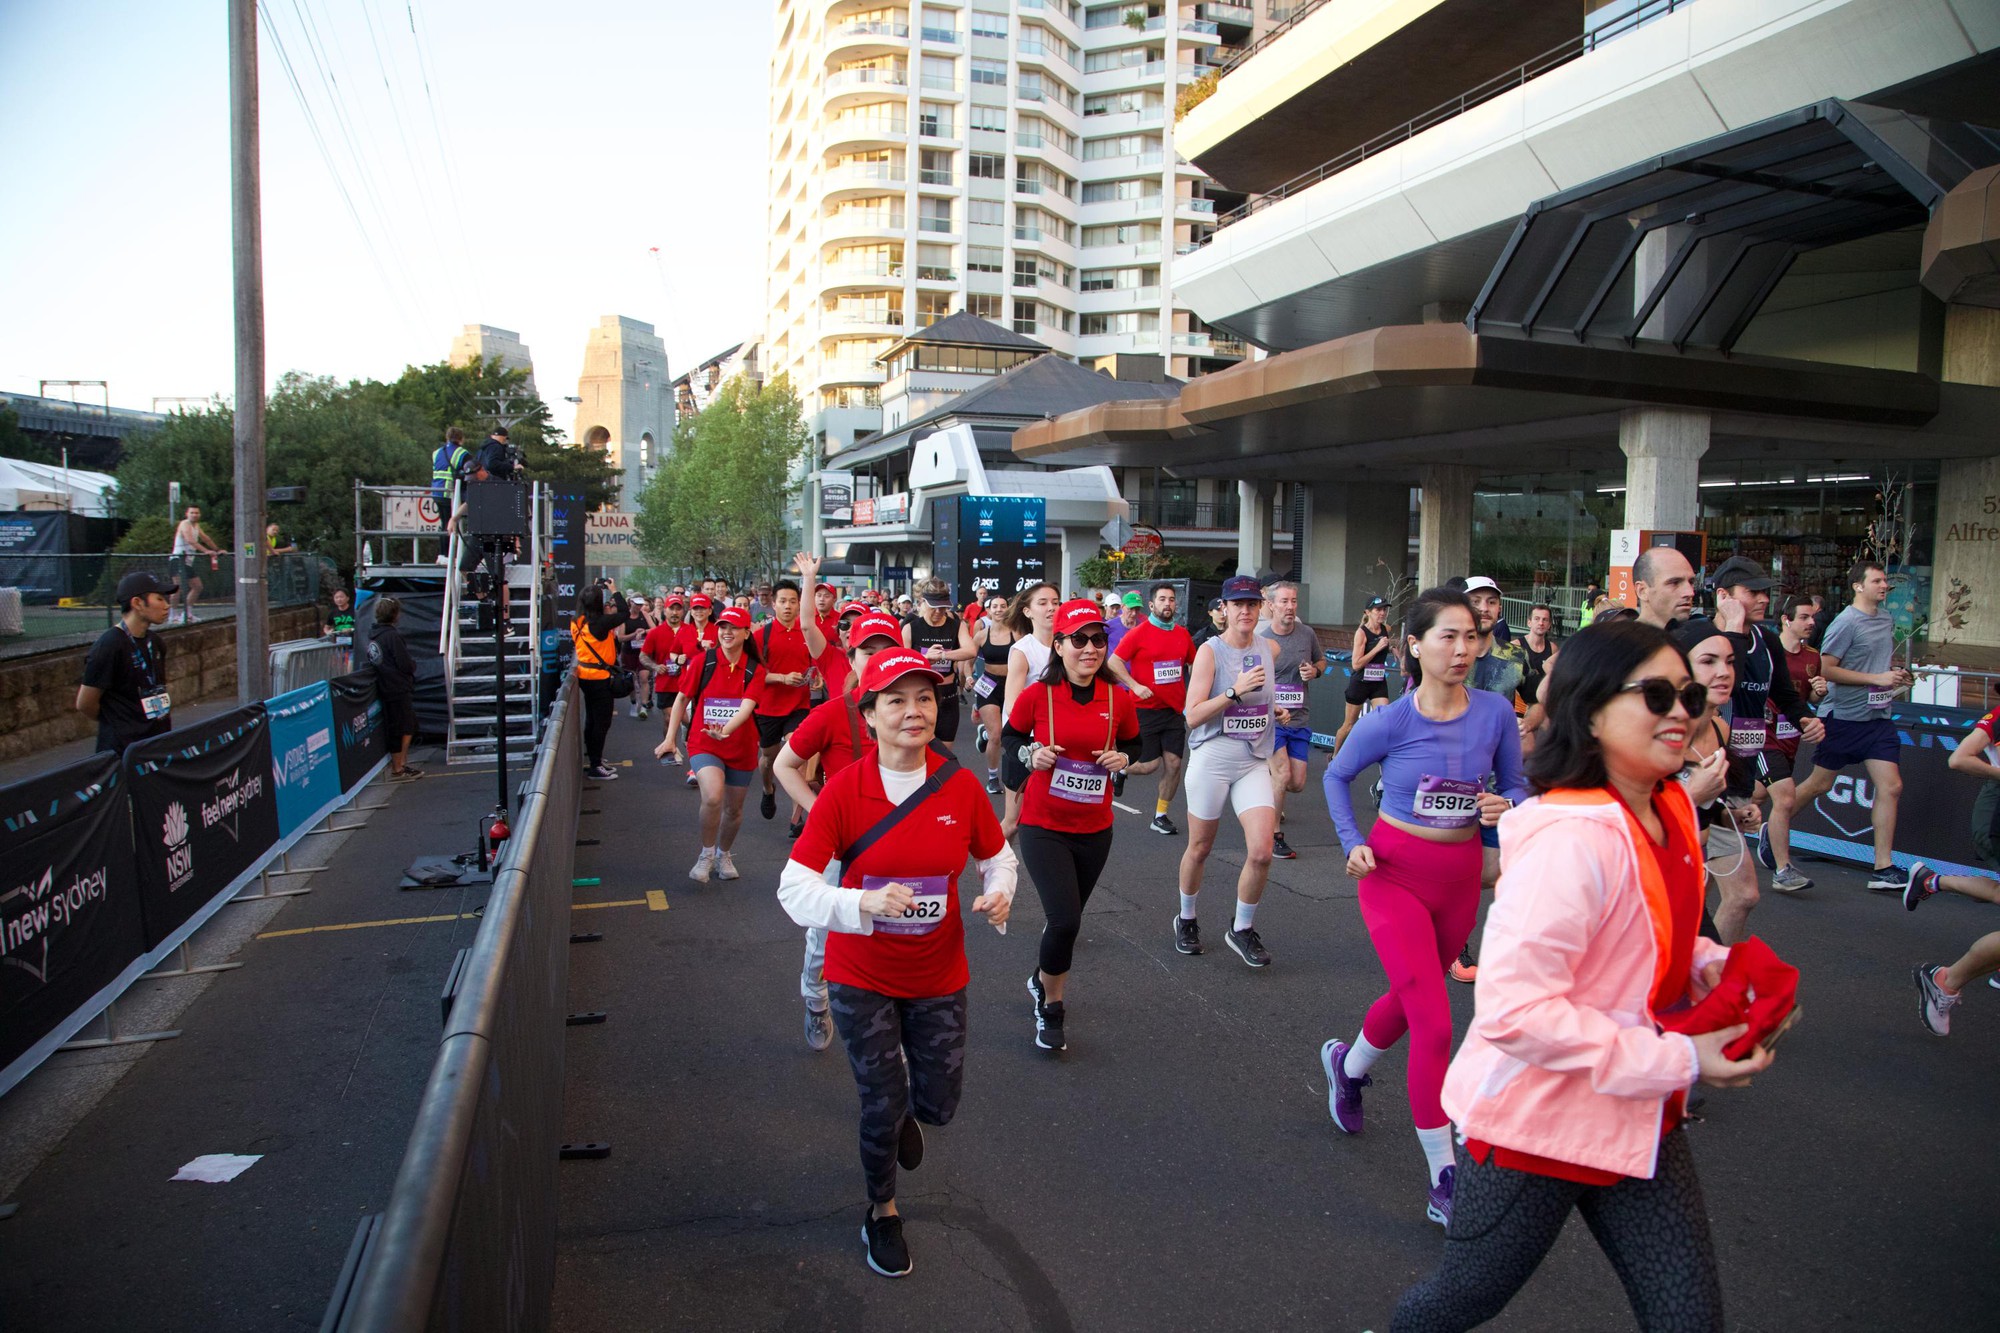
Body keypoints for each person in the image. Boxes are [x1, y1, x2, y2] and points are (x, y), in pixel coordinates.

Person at [1391, 620, 1773, 1331]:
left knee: (1689, 1320)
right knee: (1455, 1303)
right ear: (1591, 710)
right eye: (1657, 694)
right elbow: (1513, 1013)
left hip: (1634, 1113)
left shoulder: (1672, 807)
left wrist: (1725, 975)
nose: (1683, 711)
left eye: (1687, 692)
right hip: (1535, 1127)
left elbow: (1660, 937)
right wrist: (1684, 1056)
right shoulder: (1569, 839)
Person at [775, 649, 1017, 1279]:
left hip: (938, 974)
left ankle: (915, 1112)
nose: (914, 712)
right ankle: (880, 1209)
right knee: (881, 1102)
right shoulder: (843, 793)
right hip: (862, 977)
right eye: (897, 701)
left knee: (938, 1106)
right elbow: (794, 890)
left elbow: (998, 857)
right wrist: (861, 901)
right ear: (870, 714)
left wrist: (998, 892)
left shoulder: (958, 785)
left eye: (926, 700)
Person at [1320, 587, 1527, 1223]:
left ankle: (1347, 1068)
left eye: (1472, 637)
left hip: (1460, 877)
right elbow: (1335, 775)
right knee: (1436, 1024)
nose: (1463, 649)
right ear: (1416, 645)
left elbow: (1516, 783)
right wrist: (1353, 843)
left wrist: (1507, 808)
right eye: (1448, 637)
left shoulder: (1494, 713)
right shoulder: (1392, 719)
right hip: (1393, 875)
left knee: (1415, 998)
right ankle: (1445, 1177)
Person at [1005, 599, 1141, 1054]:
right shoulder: (1037, 695)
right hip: (1044, 825)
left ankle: (1040, 977)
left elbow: (1134, 743)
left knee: (1069, 922)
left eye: (1098, 639)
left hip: (1095, 827)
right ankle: (1052, 1006)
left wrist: (1124, 759)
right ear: (1059, 645)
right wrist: (1031, 755)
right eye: (1079, 639)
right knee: (1062, 919)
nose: (1090, 648)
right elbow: (1010, 741)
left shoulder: (1117, 697)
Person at [774, 608, 910, 1051]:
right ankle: (816, 1000)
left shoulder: (915, 715)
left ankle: (891, 1024)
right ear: (850, 658)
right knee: (823, 934)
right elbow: (784, 765)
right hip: (841, 849)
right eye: (865, 652)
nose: (874, 660)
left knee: (900, 934)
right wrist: (819, 812)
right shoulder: (834, 714)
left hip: (898, 847)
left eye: (885, 651)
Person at [1174, 575, 1283, 967]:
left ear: (1261, 608)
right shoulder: (1210, 652)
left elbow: (1263, 702)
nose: (1246, 611)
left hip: (1253, 758)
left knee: (1262, 851)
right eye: (1238, 604)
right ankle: (1186, 918)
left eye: (1252, 604)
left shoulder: (1268, 648)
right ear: (1224, 609)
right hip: (1213, 757)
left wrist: (1275, 711)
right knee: (1200, 847)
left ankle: (1241, 928)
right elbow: (1192, 715)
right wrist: (1233, 691)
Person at [1787, 561, 1914, 892]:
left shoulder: (1885, 618)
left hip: (1878, 718)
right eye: (1877, 580)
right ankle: (1773, 829)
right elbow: (1827, 669)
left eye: (1885, 580)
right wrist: (1876, 678)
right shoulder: (1845, 622)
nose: (1884, 585)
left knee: (1892, 787)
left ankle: (1882, 868)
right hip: (1842, 717)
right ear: (1859, 586)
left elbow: (1874, 664)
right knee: (1819, 785)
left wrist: (1895, 676)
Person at [1673, 617, 1764, 943]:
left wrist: (1733, 816)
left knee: (1743, 896)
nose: (1724, 672)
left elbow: (1709, 806)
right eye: (1708, 661)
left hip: (1694, 851)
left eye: (1729, 661)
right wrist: (1690, 796)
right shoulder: (1661, 730)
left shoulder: (1721, 730)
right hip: (1653, 864)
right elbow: (1628, 813)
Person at [663, 606, 767, 882]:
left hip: (741, 747)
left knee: (733, 810)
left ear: (747, 633)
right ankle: (706, 855)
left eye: (734, 628)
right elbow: (681, 700)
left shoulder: (755, 669)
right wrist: (669, 738)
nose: (727, 632)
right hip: (703, 743)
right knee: (712, 796)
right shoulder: (703, 661)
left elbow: (747, 707)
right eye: (722, 627)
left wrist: (727, 730)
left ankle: (724, 854)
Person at [1752, 595, 1829, 891]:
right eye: (1804, 617)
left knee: (1756, 796)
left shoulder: (1812, 656)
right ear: (1786, 619)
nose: (1811, 623)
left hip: (1791, 737)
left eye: (1813, 618)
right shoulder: (1767, 650)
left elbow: (1806, 699)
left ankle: (1757, 832)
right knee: (1784, 796)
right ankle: (1783, 870)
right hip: (1762, 734)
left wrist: (1818, 693)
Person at [1106, 581, 1195, 835]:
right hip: (1144, 709)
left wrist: (1194, 698)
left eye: (1171, 599)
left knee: (1174, 764)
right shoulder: (1139, 633)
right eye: (1162, 599)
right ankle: (1122, 768)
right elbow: (1113, 662)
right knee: (1148, 766)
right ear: (1152, 604)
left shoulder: (1182, 634)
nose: (1168, 603)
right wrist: (1134, 685)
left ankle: (1160, 815)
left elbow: (1195, 664)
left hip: (1173, 712)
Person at [1252, 581, 1323, 861]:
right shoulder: (1262, 640)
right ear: (1271, 605)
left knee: (1296, 783)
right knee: (1282, 775)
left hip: (1300, 718)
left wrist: (1314, 672)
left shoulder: (1307, 634)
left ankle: (1262, 781)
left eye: (1293, 601)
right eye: (1284, 602)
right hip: (1272, 720)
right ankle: (1274, 835)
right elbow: (1252, 680)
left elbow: (1321, 661)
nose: (1290, 607)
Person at [78, 571, 176, 754]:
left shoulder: (155, 643)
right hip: (123, 751)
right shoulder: (109, 646)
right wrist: (121, 722)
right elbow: (85, 703)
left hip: (158, 744)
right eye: (159, 599)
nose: (167, 605)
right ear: (137, 603)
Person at [753, 576, 817, 834]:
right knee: (768, 760)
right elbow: (754, 675)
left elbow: (816, 660)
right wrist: (781, 677)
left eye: (793, 601)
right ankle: (768, 789)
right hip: (767, 708)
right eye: (783, 601)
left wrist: (816, 676)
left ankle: (796, 816)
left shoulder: (807, 631)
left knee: (797, 755)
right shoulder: (761, 635)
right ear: (774, 605)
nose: (788, 606)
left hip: (799, 705)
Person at [1000, 582, 1062, 838]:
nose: (1051, 608)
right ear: (1027, 612)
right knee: (1014, 822)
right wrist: (1029, 744)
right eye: (1043, 603)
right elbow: (1012, 705)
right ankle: (994, 868)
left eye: (1055, 602)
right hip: (1027, 741)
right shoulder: (1023, 650)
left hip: (1059, 741)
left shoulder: (1068, 645)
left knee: (1054, 817)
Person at [903, 578, 976, 746]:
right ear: (923, 602)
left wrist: (943, 656)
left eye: (943, 607)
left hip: (947, 696)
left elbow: (970, 650)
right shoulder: (911, 628)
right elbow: (902, 661)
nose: (938, 611)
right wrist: (924, 658)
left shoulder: (957, 626)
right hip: (920, 696)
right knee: (919, 749)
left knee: (945, 752)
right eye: (934, 606)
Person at [572, 585, 630, 781]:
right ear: (598, 603)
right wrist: (614, 589)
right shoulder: (601, 623)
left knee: (592, 719)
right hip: (600, 678)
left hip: (584, 675)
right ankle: (595, 765)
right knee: (602, 722)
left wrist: (593, 587)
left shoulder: (577, 621)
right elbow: (624, 612)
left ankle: (595, 759)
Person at [366, 596, 421, 779]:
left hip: (385, 685)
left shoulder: (374, 635)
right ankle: (399, 766)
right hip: (397, 687)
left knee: (404, 724)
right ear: (395, 614)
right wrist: (412, 666)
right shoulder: (392, 636)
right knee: (403, 726)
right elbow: (404, 663)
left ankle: (400, 764)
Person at [1334, 596, 1395, 753]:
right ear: (1368, 612)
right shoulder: (1361, 633)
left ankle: (1378, 756)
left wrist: (1393, 649)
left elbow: (1386, 645)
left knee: (1384, 720)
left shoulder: (1386, 629)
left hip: (1378, 681)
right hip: (1360, 682)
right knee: (1349, 725)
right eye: (1378, 610)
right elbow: (1356, 664)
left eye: (1384, 609)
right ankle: (1335, 757)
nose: (1382, 613)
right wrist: (1377, 648)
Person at [971, 592, 1016, 793]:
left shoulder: (1017, 633)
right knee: (996, 735)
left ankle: (984, 732)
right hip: (988, 684)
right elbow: (968, 660)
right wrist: (967, 677)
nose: (999, 609)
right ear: (988, 611)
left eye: (1002, 606)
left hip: (1013, 684)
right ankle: (992, 778)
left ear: (1008, 609)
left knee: (1011, 732)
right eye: (994, 606)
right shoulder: (982, 635)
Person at [639, 595, 688, 758]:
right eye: (671, 609)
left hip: (687, 683)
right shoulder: (656, 633)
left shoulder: (689, 631)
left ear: (682, 611)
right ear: (664, 610)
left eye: (678, 609)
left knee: (687, 719)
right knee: (669, 718)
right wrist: (655, 666)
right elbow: (643, 656)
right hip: (665, 683)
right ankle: (670, 748)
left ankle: (687, 743)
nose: (674, 612)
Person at [169, 505, 222, 625]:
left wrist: (217, 550)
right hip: (178, 559)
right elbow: (190, 540)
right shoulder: (184, 524)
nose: (194, 515)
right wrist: (206, 551)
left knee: (197, 586)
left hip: (187, 561)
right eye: (192, 513)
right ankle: (172, 615)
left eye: (197, 513)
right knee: (177, 588)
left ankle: (187, 614)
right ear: (187, 514)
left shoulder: (196, 526)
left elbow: (206, 539)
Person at [1632, 546, 1697, 629]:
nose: (1690, 592)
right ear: (1642, 591)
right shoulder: (1621, 640)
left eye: (1691, 582)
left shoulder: (1703, 639)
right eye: (1674, 583)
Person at [1517, 603, 1557, 736]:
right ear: (1529, 622)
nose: (1541, 623)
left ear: (1549, 624)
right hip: (1522, 711)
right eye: (1537, 619)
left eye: (1545, 620)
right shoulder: (1516, 647)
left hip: (1544, 710)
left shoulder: (1553, 648)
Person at [622, 594, 656, 719]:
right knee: (630, 679)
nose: (639, 606)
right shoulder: (625, 617)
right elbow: (620, 637)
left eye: (641, 604)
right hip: (629, 651)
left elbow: (654, 629)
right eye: (637, 604)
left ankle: (643, 706)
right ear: (631, 602)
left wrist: (643, 632)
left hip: (643, 651)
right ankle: (633, 703)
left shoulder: (644, 615)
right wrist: (633, 635)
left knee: (643, 677)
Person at [430, 426, 470, 501]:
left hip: (436, 491)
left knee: (442, 512)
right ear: (461, 438)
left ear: (447, 437)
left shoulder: (436, 452)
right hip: (450, 492)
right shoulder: (462, 453)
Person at [1105, 590, 1144, 658]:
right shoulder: (1108, 626)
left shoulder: (1142, 627)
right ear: (1122, 607)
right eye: (1130, 609)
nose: (1134, 613)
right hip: (1113, 668)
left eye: (1137, 609)